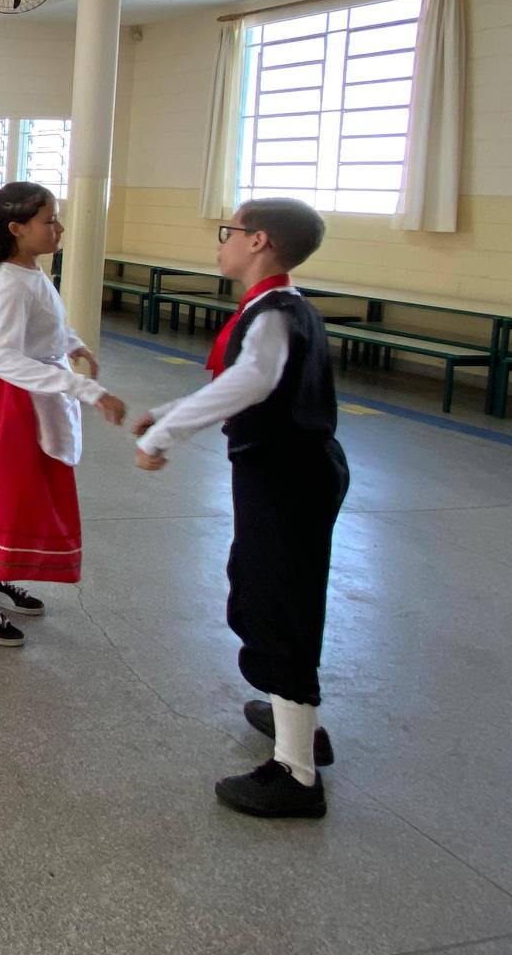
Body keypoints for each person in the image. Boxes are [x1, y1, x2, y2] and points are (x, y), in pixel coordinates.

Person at [133, 199, 347, 819]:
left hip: (287, 476)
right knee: (263, 587)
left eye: (228, 232)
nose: (220, 241)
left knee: (280, 604)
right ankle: (297, 719)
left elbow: (251, 380)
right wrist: (170, 410)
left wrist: (163, 436)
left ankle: (297, 773)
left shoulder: (275, 314)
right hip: (285, 470)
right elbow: (244, 384)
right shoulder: (280, 307)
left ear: (259, 241)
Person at [0, 183, 125, 646]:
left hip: (18, 388)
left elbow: (42, 323)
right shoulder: (8, 281)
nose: (59, 228)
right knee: (13, 493)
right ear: (16, 229)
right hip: (8, 393)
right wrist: (85, 389)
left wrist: (71, 342)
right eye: (49, 220)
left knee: (19, 488)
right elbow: (5, 356)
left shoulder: (27, 271)